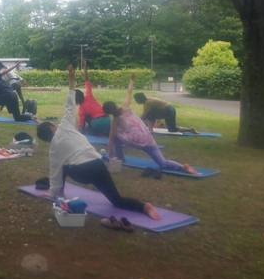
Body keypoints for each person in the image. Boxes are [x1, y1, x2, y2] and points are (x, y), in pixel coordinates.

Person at [35, 65, 160, 219]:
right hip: (98, 165)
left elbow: (55, 172)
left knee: (62, 164)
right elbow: (69, 105)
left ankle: (60, 190)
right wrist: (72, 80)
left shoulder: (53, 150)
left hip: (82, 173)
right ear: (53, 127)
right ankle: (144, 206)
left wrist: (52, 192)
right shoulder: (65, 126)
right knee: (117, 201)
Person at [102, 73, 198, 174]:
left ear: (108, 113)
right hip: (148, 138)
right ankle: (182, 167)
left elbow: (111, 139)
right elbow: (129, 92)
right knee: (163, 163)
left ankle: (119, 157)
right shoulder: (126, 107)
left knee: (115, 135)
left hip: (136, 140)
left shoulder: (115, 120)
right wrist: (131, 79)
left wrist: (109, 155)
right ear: (115, 105)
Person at [75, 59, 111, 135]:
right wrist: (85, 67)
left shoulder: (81, 110)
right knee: (91, 118)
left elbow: (81, 125)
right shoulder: (89, 95)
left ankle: (97, 131)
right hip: (109, 120)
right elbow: (87, 80)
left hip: (98, 122)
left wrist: (80, 134)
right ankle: (104, 131)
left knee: (86, 117)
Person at [133, 93, 198, 134]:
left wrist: (135, 123)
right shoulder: (148, 99)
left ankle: (150, 129)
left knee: (148, 113)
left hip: (167, 111)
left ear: (139, 99)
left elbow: (143, 115)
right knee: (172, 129)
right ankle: (190, 129)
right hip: (171, 109)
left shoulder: (148, 103)